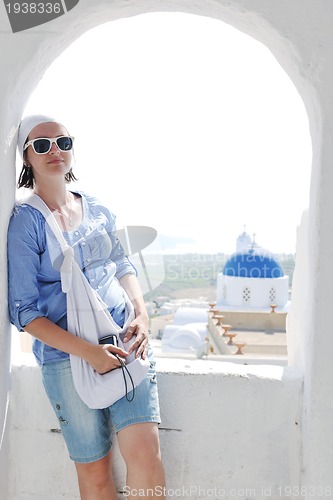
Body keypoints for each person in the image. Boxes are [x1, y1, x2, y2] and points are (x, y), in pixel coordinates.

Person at [7, 115, 166, 499]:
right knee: (94, 471)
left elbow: (123, 264)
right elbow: (24, 312)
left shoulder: (97, 208)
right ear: (27, 158)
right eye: (41, 145)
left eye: (63, 142)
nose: (55, 151)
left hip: (125, 341)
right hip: (66, 360)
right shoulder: (25, 223)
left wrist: (141, 315)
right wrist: (89, 353)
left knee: (145, 452)